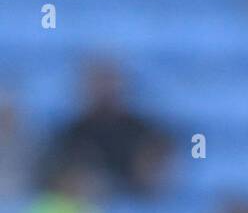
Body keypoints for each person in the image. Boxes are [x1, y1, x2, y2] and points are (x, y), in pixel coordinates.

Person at [42, 61, 171, 198]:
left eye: (110, 83)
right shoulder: (70, 134)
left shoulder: (144, 132)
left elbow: (158, 178)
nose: (105, 91)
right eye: (99, 84)